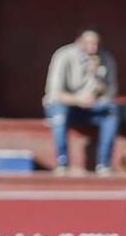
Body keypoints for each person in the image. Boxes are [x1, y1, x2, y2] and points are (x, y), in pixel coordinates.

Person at [43, 28, 119, 174]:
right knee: (59, 113)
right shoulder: (63, 55)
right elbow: (53, 93)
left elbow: (111, 93)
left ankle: (104, 164)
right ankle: (62, 163)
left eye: (96, 44)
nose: (93, 48)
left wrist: (96, 75)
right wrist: (78, 99)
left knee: (111, 111)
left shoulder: (105, 58)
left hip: (91, 107)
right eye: (89, 43)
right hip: (66, 106)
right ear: (79, 42)